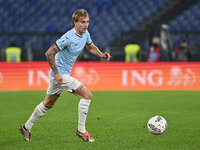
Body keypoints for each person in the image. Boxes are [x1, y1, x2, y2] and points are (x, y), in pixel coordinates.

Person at [19, 9, 111, 142]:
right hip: (60, 75)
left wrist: (101, 54)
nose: (86, 25)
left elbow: (90, 47)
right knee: (87, 95)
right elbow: (49, 53)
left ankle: (26, 127)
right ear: (75, 22)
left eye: (87, 22)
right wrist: (57, 74)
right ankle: (81, 130)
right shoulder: (68, 37)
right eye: (82, 22)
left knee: (48, 104)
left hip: (62, 76)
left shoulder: (85, 34)